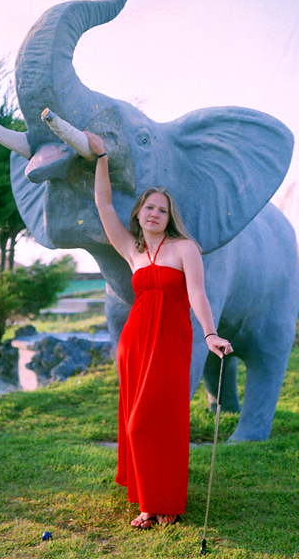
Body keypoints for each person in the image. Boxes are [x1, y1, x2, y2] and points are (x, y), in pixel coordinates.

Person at [84, 131, 233, 529]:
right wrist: (101, 157)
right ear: (138, 214)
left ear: (169, 218)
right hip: (134, 343)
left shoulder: (185, 249)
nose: (154, 214)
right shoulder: (131, 250)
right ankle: (151, 502)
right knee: (136, 421)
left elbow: (198, 294)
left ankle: (164, 500)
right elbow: (103, 204)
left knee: (159, 422)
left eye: (162, 210)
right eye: (148, 207)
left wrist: (210, 334)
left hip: (170, 342)